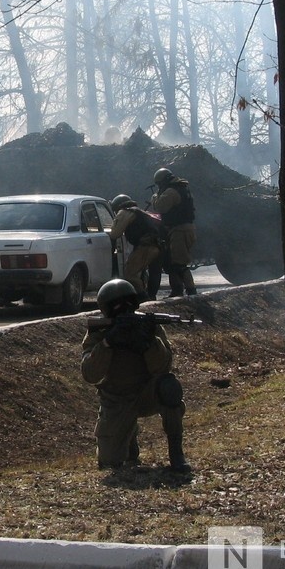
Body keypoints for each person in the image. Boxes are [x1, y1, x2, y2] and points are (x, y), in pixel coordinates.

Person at [79, 279, 190, 473]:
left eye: (128, 304)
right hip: (117, 398)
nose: (124, 310)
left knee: (169, 387)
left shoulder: (149, 325)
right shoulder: (99, 332)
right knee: (109, 463)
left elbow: (164, 367)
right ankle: (129, 441)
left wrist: (149, 343)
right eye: (117, 306)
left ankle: (176, 452)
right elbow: (90, 374)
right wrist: (108, 343)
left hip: (147, 393)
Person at [149, 167, 197, 298]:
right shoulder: (181, 188)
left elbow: (160, 207)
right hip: (182, 229)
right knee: (173, 263)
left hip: (179, 230)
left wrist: (154, 196)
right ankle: (177, 291)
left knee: (179, 264)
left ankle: (191, 291)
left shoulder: (171, 191)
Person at [109, 193, 165, 302]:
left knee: (130, 273)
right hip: (158, 246)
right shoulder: (139, 212)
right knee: (153, 273)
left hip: (146, 247)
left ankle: (143, 299)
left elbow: (115, 233)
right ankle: (151, 296)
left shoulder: (125, 212)